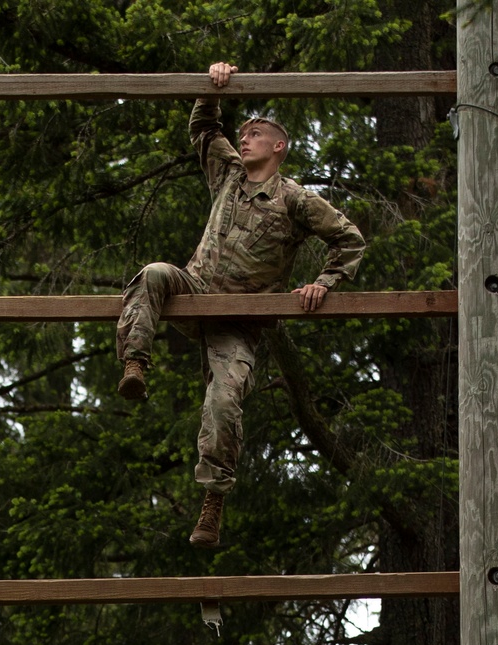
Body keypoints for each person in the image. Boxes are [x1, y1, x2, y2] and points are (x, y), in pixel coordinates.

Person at [116, 61, 366, 548]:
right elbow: (204, 127)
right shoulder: (228, 175)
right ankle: (135, 362)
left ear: (278, 147)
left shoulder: (294, 199)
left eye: (255, 134)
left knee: (225, 401)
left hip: (239, 320)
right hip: (194, 287)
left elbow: (350, 239)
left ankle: (213, 500)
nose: (245, 138)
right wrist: (212, 87)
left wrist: (325, 282)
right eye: (244, 133)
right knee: (152, 276)